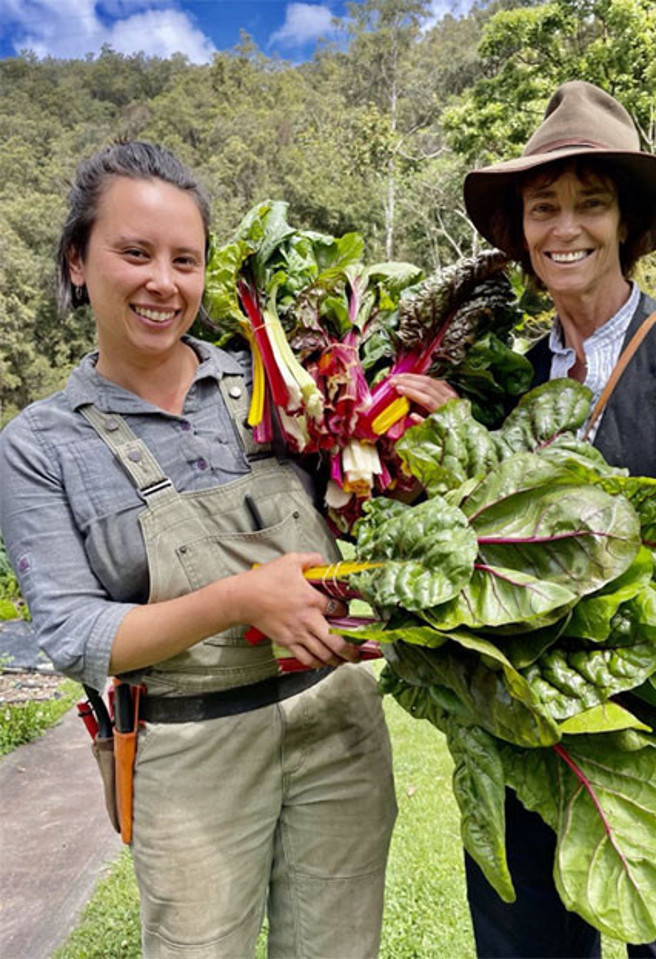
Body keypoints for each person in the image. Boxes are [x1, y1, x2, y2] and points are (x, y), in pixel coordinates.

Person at [0, 140, 425, 959]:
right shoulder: (39, 444)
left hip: (338, 727)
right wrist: (238, 598)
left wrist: (405, 429)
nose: (164, 281)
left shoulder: (277, 383)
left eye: (185, 260)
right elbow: (74, 634)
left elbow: (368, 507)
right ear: (78, 263)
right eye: (135, 252)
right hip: (191, 754)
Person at [462, 80, 656, 958]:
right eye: (543, 206)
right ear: (521, 231)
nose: (566, 228)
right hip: (535, 758)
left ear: (626, 221)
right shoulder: (505, 384)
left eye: (590, 203)